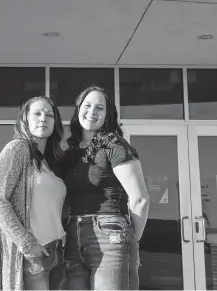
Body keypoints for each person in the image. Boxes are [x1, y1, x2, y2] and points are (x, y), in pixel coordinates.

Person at [60, 86, 150, 290]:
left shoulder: (115, 146)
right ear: (78, 109)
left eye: (99, 108)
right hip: (73, 234)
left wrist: (132, 242)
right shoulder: (70, 152)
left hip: (110, 232)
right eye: (87, 105)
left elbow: (140, 199)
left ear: (107, 115)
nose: (92, 112)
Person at [0, 96, 66, 290]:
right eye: (37, 113)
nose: (43, 118)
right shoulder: (17, 149)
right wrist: (27, 244)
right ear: (25, 119)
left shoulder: (51, 162)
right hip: (33, 256)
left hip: (57, 252)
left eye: (49, 115)